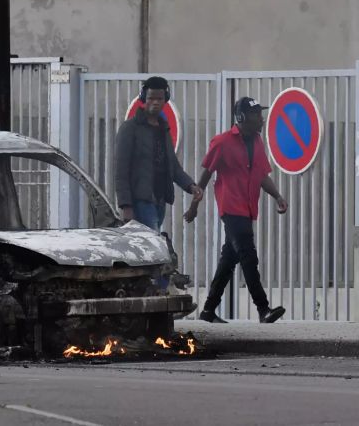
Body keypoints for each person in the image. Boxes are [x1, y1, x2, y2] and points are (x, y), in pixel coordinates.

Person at [184, 96, 287, 324]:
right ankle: (263, 309)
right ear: (241, 118)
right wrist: (193, 207)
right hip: (231, 209)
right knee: (249, 257)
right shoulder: (222, 143)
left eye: (261, 114)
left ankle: (208, 311)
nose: (261, 119)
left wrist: (277, 196)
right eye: (255, 114)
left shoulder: (258, 142)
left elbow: (261, 175)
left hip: (248, 209)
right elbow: (205, 176)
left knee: (228, 260)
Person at [115, 76, 202, 232]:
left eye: (159, 98)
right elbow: (121, 170)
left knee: (149, 245)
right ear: (143, 99)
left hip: (160, 199)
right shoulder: (130, 128)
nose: (155, 102)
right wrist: (126, 206)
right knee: (152, 242)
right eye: (151, 98)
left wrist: (191, 186)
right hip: (141, 200)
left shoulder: (163, 129)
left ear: (165, 99)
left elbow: (173, 167)